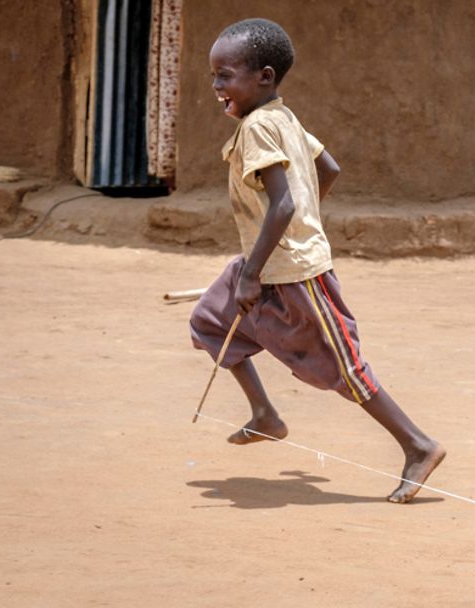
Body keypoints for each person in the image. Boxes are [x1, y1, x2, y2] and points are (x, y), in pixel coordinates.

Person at [189, 18, 445, 503]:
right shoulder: (281, 117)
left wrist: (264, 261)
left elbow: (284, 205)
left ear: (264, 76)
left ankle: (418, 444)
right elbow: (328, 168)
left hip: (290, 274)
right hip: (264, 262)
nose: (217, 86)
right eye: (214, 76)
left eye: (226, 75)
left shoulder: (261, 127)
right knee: (211, 323)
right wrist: (289, 231)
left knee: (343, 369)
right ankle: (265, 415)